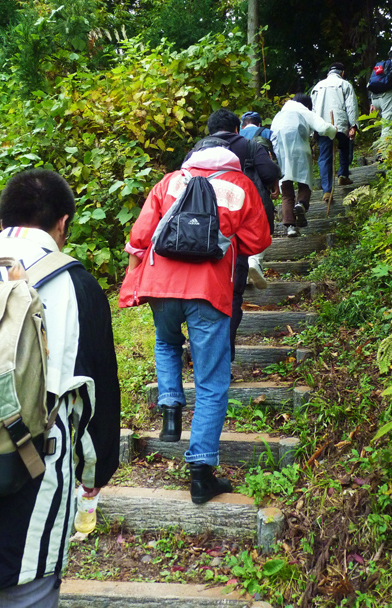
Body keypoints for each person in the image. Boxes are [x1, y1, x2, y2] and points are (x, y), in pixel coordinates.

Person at [0, 169, 122, 608]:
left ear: (3, 219)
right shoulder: (77, 286)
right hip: (29, 471)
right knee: (23, 589)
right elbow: (96, 398)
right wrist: (95, 474)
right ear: (63, 223)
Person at [118, 145, 270, 504]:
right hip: (208, 291)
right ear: (229, 159)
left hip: (161, 285)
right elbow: (258, 240)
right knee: (212, 381)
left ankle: (171, 406)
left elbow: (140, 237)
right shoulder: (240, 185)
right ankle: (201, 474)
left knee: (167, 341)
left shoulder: (170, 181)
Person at [187, 109, 280, 353]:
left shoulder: (194, 153)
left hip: (197, 233)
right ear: (237, 128)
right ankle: (224, 355)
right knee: (232, 296)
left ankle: (202, 354)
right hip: (239, 230)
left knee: (200, 298)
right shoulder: (250, 146)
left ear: (210, 131)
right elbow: (271, 173)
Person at [270, 93, 337, 237]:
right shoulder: (303, 110)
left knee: (286, 189)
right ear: (307, 104)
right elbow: (323, 128)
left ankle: (290, 227)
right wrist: (334, 130)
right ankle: (301, 204)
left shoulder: (279, 115)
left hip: (281, 152)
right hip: (300, 148)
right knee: (305, 181)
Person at [239, 110, 278, 288]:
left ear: (241, 125)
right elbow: (274, 160)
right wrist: (276, 184)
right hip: (259, 188)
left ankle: (244, 271)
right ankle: (255, 261)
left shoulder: (236, 138)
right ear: (259, 123)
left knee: (241, 229)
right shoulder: (266, 133)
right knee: (262, 226)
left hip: (237, 189)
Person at [311, 62, 359, 199]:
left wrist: (313, 128)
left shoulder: (317, 86)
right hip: (340, 123)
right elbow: (351, 106)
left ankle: (327, 190)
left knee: (325, 156)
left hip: (322, 124)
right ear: (342, 73)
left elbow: (312, 108)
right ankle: (343, 174)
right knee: (345, 146)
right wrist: (353, 126)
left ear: (328, 73)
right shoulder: (345, 84)